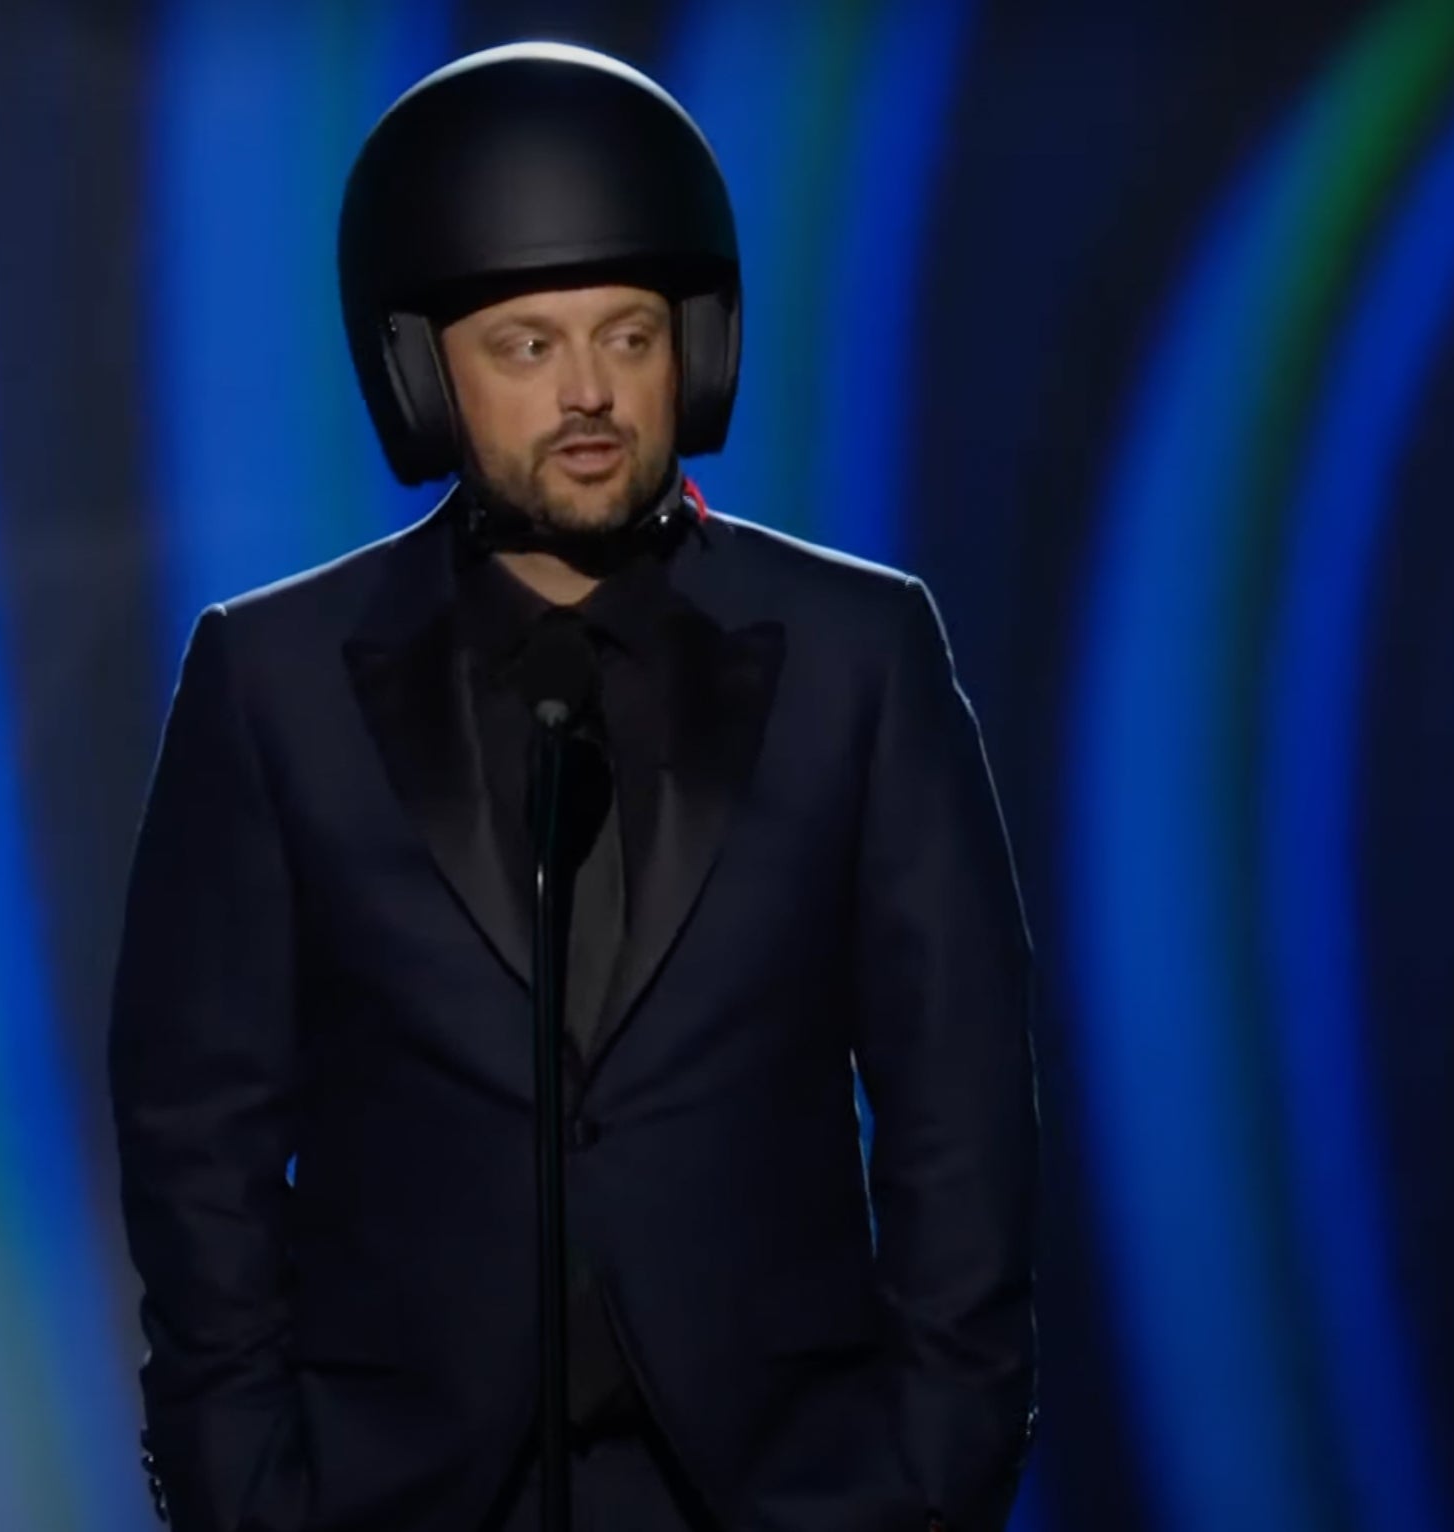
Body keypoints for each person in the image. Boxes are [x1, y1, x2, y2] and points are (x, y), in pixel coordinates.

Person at [108, 42, 1038, 1532]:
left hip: (788, 1492)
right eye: (526, 346)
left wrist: (931, 1473)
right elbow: (193, 1126)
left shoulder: (860, 655)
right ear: (423, 375)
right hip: (393, 1496)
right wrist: (246, 1486)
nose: (591, 391)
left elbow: (960, 1103)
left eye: (627, 334)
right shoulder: (272, 682)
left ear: (701, 349)